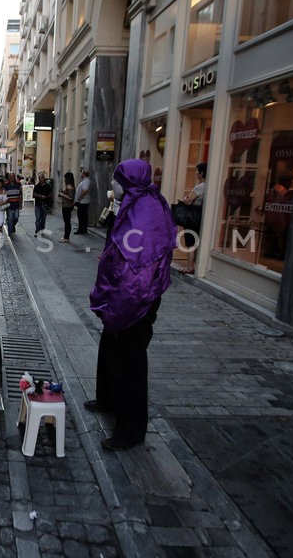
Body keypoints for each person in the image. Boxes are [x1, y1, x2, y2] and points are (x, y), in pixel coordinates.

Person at [87, 159, 175, 451]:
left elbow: (139, 270)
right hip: (121, 297)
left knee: (130, 363)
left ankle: (130, 431)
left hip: (134, 302)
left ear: (130, 182)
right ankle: (108, 400)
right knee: (111, 350)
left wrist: (120, 309)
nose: (112, 185)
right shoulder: (137, 202)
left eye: (116, 180)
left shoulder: (145, 211)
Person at [177, 162, 206, 274]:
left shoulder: (200, 187)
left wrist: (185, 198)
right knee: (197, 240)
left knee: (191, 241)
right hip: (201, 215)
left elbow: (188, 200)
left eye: (197, 171)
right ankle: (196, 266)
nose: (196, 173)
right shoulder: (210, 185)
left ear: (202, 173)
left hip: (193, 215)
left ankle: (190, 267)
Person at [57, 172, 76, 243]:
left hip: (67, 206)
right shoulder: (70, 186)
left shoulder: (69, 186)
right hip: (67, 206)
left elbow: (70, 198)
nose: (64, 179)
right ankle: (66, 237)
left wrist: (62, 194)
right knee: (67, 222)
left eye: (65, 178)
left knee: (67, 222)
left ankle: (66, 237)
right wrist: (63, 192)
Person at [32, 172, 52, 236]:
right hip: (38, 205)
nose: (41, 179)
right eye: (40, 178)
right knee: (38, 218)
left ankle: (42, 229)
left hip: (45, 205)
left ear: (44, 178)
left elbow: (50, 195)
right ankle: (37, 231)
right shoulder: (37, 186)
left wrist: (46, 197)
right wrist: (40, 196)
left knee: (43, 219)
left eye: (43, 178)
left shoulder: (48, 186)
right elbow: (33, 195)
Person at [74, 169, 92, 234]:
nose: (80, 174)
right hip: (83, 201)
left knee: (81, 216)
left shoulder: (86, 181)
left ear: (84, 174)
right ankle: (83, 229)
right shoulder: (85, 181)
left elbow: (85, 190)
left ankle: (81, 229)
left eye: (81, 173)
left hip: (83, 202)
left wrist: (79, 198)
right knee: (83, 216)